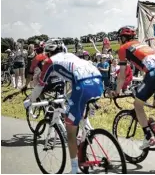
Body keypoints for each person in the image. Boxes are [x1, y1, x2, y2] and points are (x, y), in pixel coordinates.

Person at [24, 42, 103, 174]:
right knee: (77, 109)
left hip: (82, 85)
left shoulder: (50, 61)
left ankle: (74, 170)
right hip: (98, 82)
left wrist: (30, 100)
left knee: (70, 132)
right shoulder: (70, 56)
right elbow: (71, 79)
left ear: (48, 53)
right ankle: (87, 134)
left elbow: (40, 86)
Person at [112, 26, 155, 150]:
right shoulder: (142, 45)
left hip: (154, 75)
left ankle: (148, 136)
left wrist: (117, 92)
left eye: (119, 38)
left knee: (138, 105)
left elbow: (121, 75)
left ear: (123, 38)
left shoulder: (123, 49)